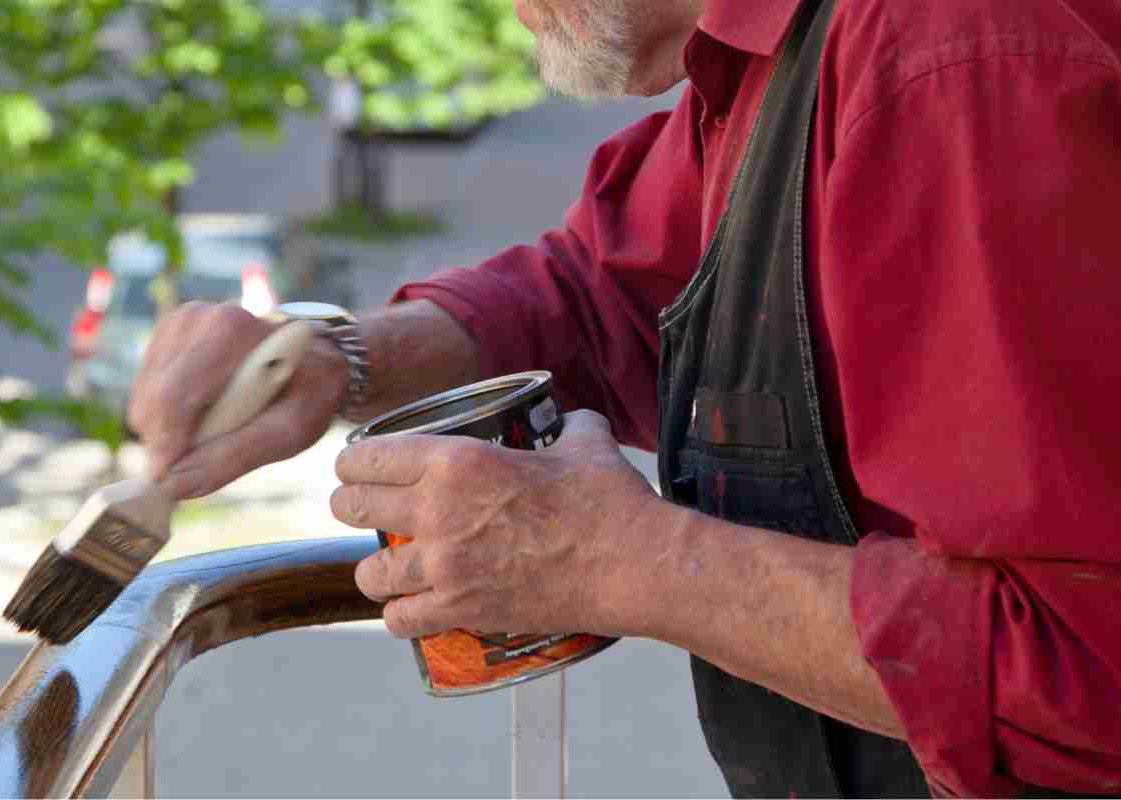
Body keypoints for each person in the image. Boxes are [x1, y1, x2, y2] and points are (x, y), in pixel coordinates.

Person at [129, 0, 1121, 796]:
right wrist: (329, 357)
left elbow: (1088, 670)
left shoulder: (949, 59)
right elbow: (600, 293)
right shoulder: (775, 57)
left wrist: (623, 559)